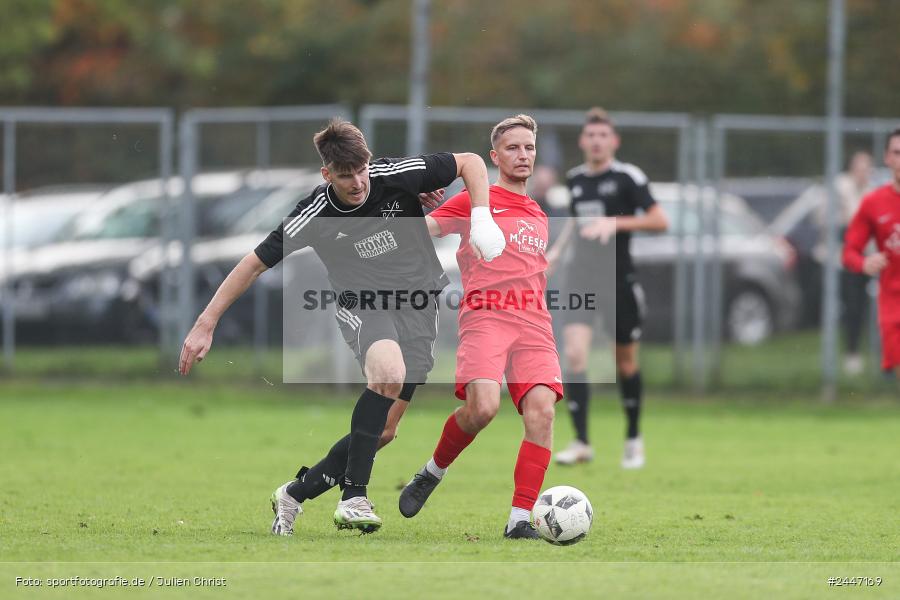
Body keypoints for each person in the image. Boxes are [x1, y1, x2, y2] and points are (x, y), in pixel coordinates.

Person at [178, 118, 506, 535]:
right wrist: (205, 323)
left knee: (383, 431)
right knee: (388, 373)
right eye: (345, 175)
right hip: (363, 304)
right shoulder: (314, 214)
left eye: (361, 170)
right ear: (326, 174)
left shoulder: (394, 175)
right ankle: (354, 497)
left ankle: (294, 494)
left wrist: (481, 217)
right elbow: (254, 263)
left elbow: (471, 162)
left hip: (419, 305)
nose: (358, 182)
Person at [397, 114, 563, 539]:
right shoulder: (477, 202)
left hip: (534, 324)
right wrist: (403, 202)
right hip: (486, 317)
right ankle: (433, 471)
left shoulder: (539, 213)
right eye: (513, 148)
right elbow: (423, 230)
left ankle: (519, 519)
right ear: (495, 156)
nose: (523, 155)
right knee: (483, 409)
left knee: (543, 413)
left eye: (529, 147)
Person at [547, 107, 668, 469]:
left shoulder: (628, 177)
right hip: (581, 277)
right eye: (591, 136)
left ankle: (633, 438)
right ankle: (581, 442)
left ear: (614, 141)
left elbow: (659, 220)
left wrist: (615, 224)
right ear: (582, 141)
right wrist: (556, 252)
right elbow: (576, 223)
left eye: (603, 136)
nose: (596, 141)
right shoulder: (575, 179)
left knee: (624, 362)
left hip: (618, 279)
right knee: (574, 354)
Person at [843, 128, 900, 379]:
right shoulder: (874, 203)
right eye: (897, 153)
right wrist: (864, 263)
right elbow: (849, 252)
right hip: (894, 304)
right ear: (887, 158)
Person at [830, 151, 875, 375]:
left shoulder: (871, 192)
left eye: (867, 168)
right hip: (845, 258)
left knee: (864, 306)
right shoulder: (840, 188)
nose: (863, 173)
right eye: (860, 168)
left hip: (868, 257)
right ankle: (851, 352)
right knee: (852, 305)